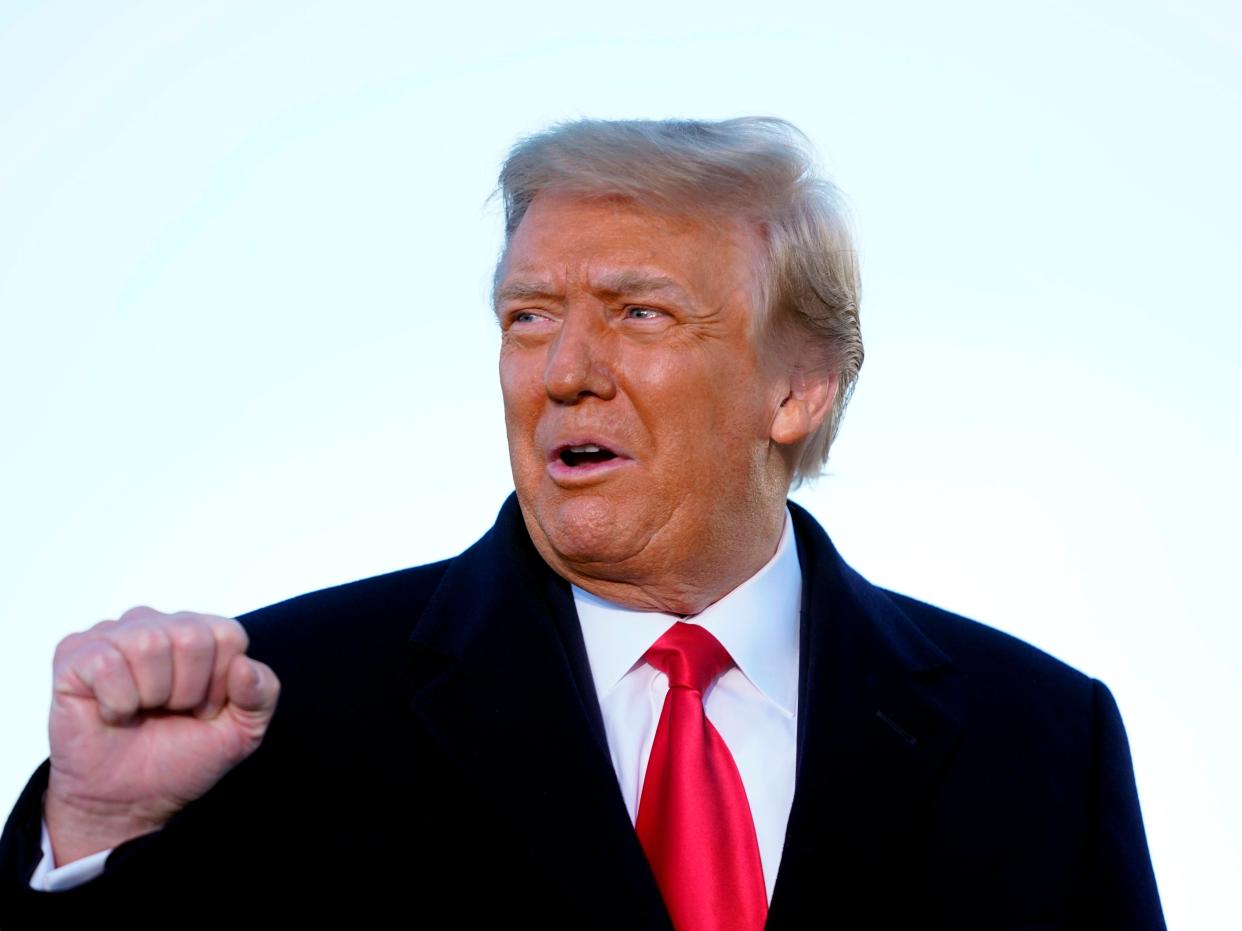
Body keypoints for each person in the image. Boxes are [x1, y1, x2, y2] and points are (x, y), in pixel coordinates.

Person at [0, 118, 1165, 929]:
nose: (563, 371)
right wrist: (97, 826)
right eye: (529, 315)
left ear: (797, 386)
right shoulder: (278, 707)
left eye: (638, 311)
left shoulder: (1041, 743)